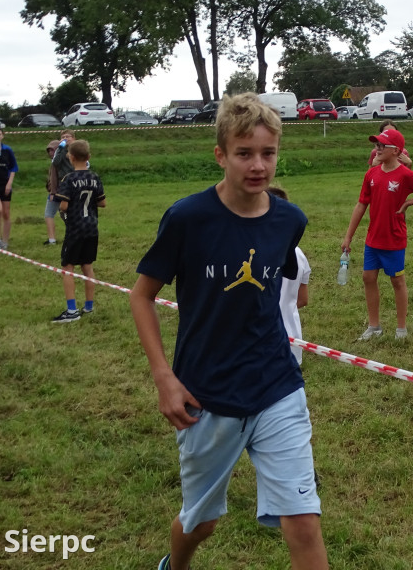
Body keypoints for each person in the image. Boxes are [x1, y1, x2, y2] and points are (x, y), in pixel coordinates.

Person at [129, 94, 327, 570]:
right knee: (202, 524)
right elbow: (141, 296)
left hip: (276, 385)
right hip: (206, 395)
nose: (258, 165)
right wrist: (164, 379)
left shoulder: (289, 220)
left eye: (268, 153)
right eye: (244, 153)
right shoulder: (187, 219)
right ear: (220, 154)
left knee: (302, 520)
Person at [343, 127, 413, 340]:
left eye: (381, 145)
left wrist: (409, 202)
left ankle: (401, 329)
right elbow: (361, 204)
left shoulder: (406, 175)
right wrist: (348, 236)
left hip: (394, 239)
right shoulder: (371, 174)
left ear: (396, 151)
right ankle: (374, 327)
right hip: (373, 238)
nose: (376, 149)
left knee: (397, 281)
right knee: (368, 277)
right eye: (375, 145)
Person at [52, 140, 106, 323]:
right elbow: (102, 202)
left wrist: (64, 207)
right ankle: (89, 307)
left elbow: (64, 206)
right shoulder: (95, 177)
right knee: (87, 266)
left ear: (70, 157)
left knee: (67, 268)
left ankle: (72, 310)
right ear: (89, 157)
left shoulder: (68, 179)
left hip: (75, 229)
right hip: (91, 228)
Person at [268, 186, 312, 365]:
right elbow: (302, 299)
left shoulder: (250, 254)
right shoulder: (300, 255)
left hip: (262, 343)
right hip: (292, 341)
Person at [43, 139, 61, 246]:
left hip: (57, 193)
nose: (50, 153)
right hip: (57, 192)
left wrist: (52, 193)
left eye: (53, 150)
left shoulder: (56, 163)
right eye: (49, 151)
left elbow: (55, 179)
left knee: (49, 214)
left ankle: (52, 240)